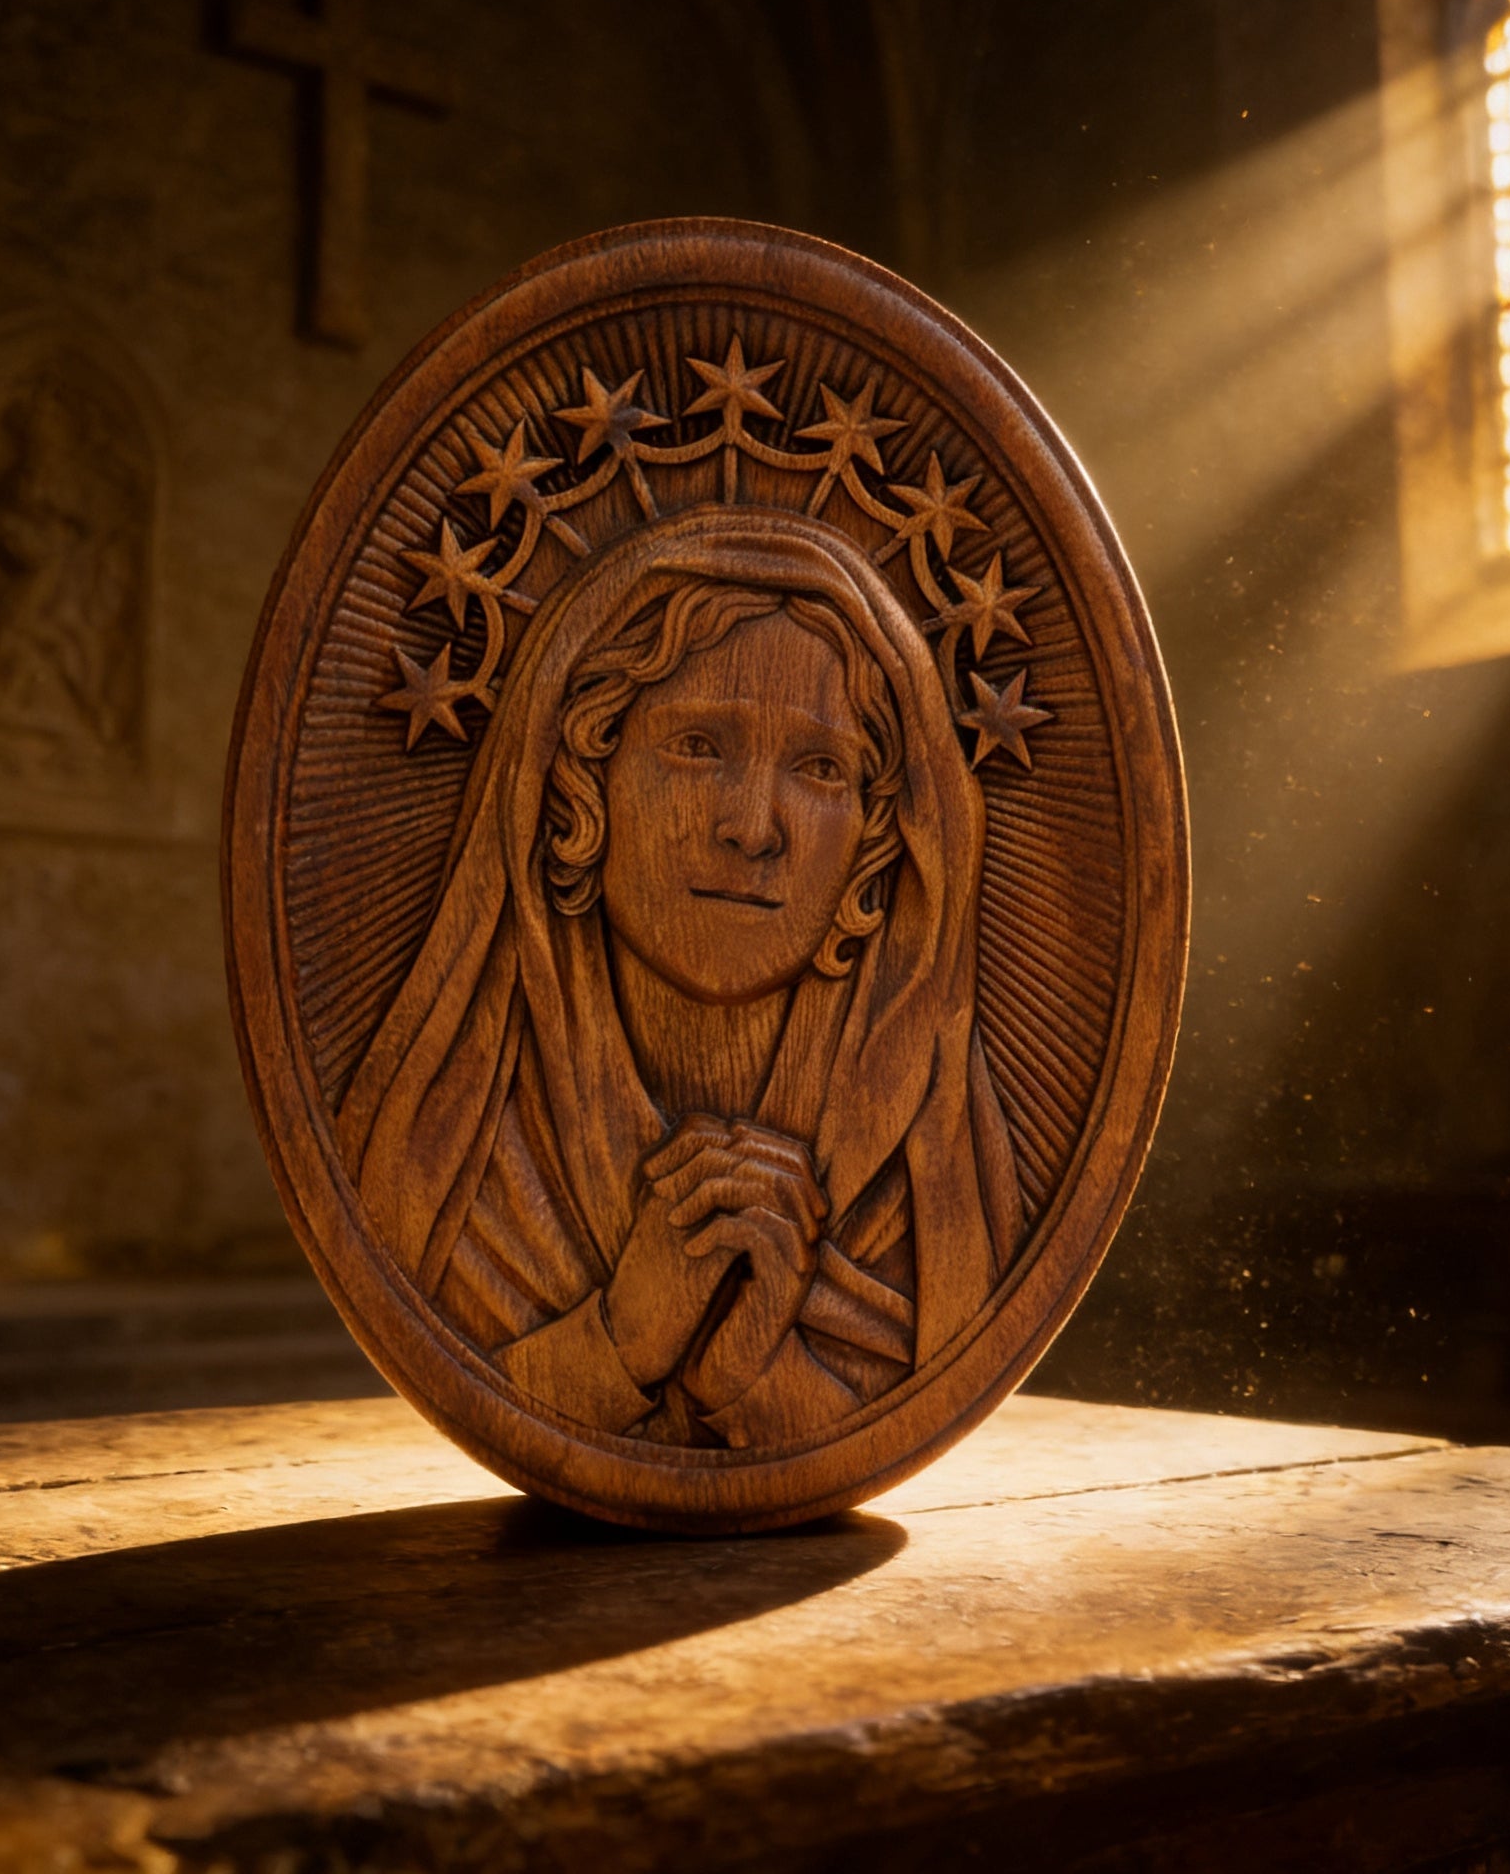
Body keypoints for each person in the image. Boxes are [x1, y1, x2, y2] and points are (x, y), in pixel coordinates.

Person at [338, 507, 1027, 1448]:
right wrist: (619, 1338)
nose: (754, 826)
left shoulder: (931, 1187)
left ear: (874, 845)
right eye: (699, 746)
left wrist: (754, 1373)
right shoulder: (447, 1149)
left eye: (821, 768)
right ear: (582, 784)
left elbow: (911, 1415)